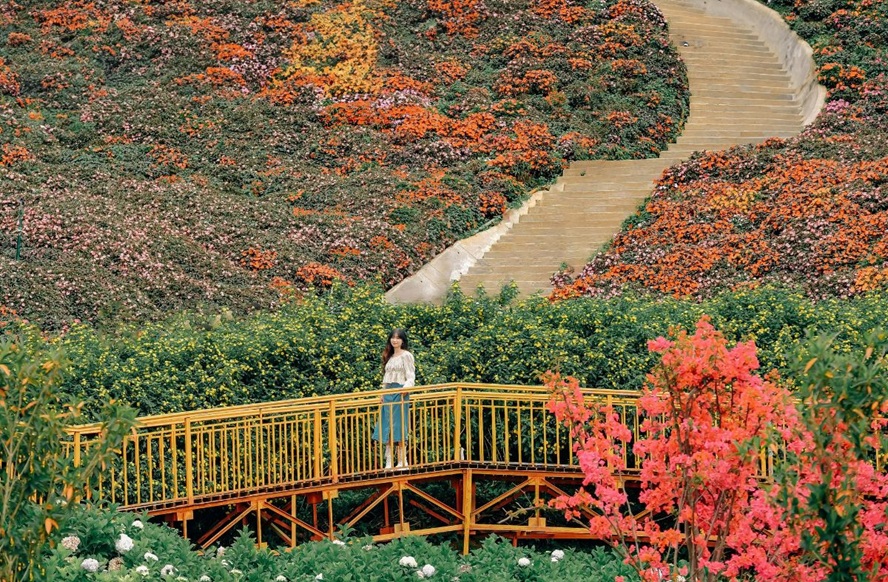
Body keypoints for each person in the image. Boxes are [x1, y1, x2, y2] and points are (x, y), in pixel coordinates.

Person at [371, 329, 415, 470]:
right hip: (388, 392)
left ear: (402, 340)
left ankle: (403, 461)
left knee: (399, 425)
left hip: (400, 391)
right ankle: (389, 461)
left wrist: (405, 389)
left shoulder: (406, 355)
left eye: (398, 338)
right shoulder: (389, 356)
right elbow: (386, 377)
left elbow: (411, 376)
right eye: (393, 337)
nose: (395, 340)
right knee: (387, 425)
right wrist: (382, 393)